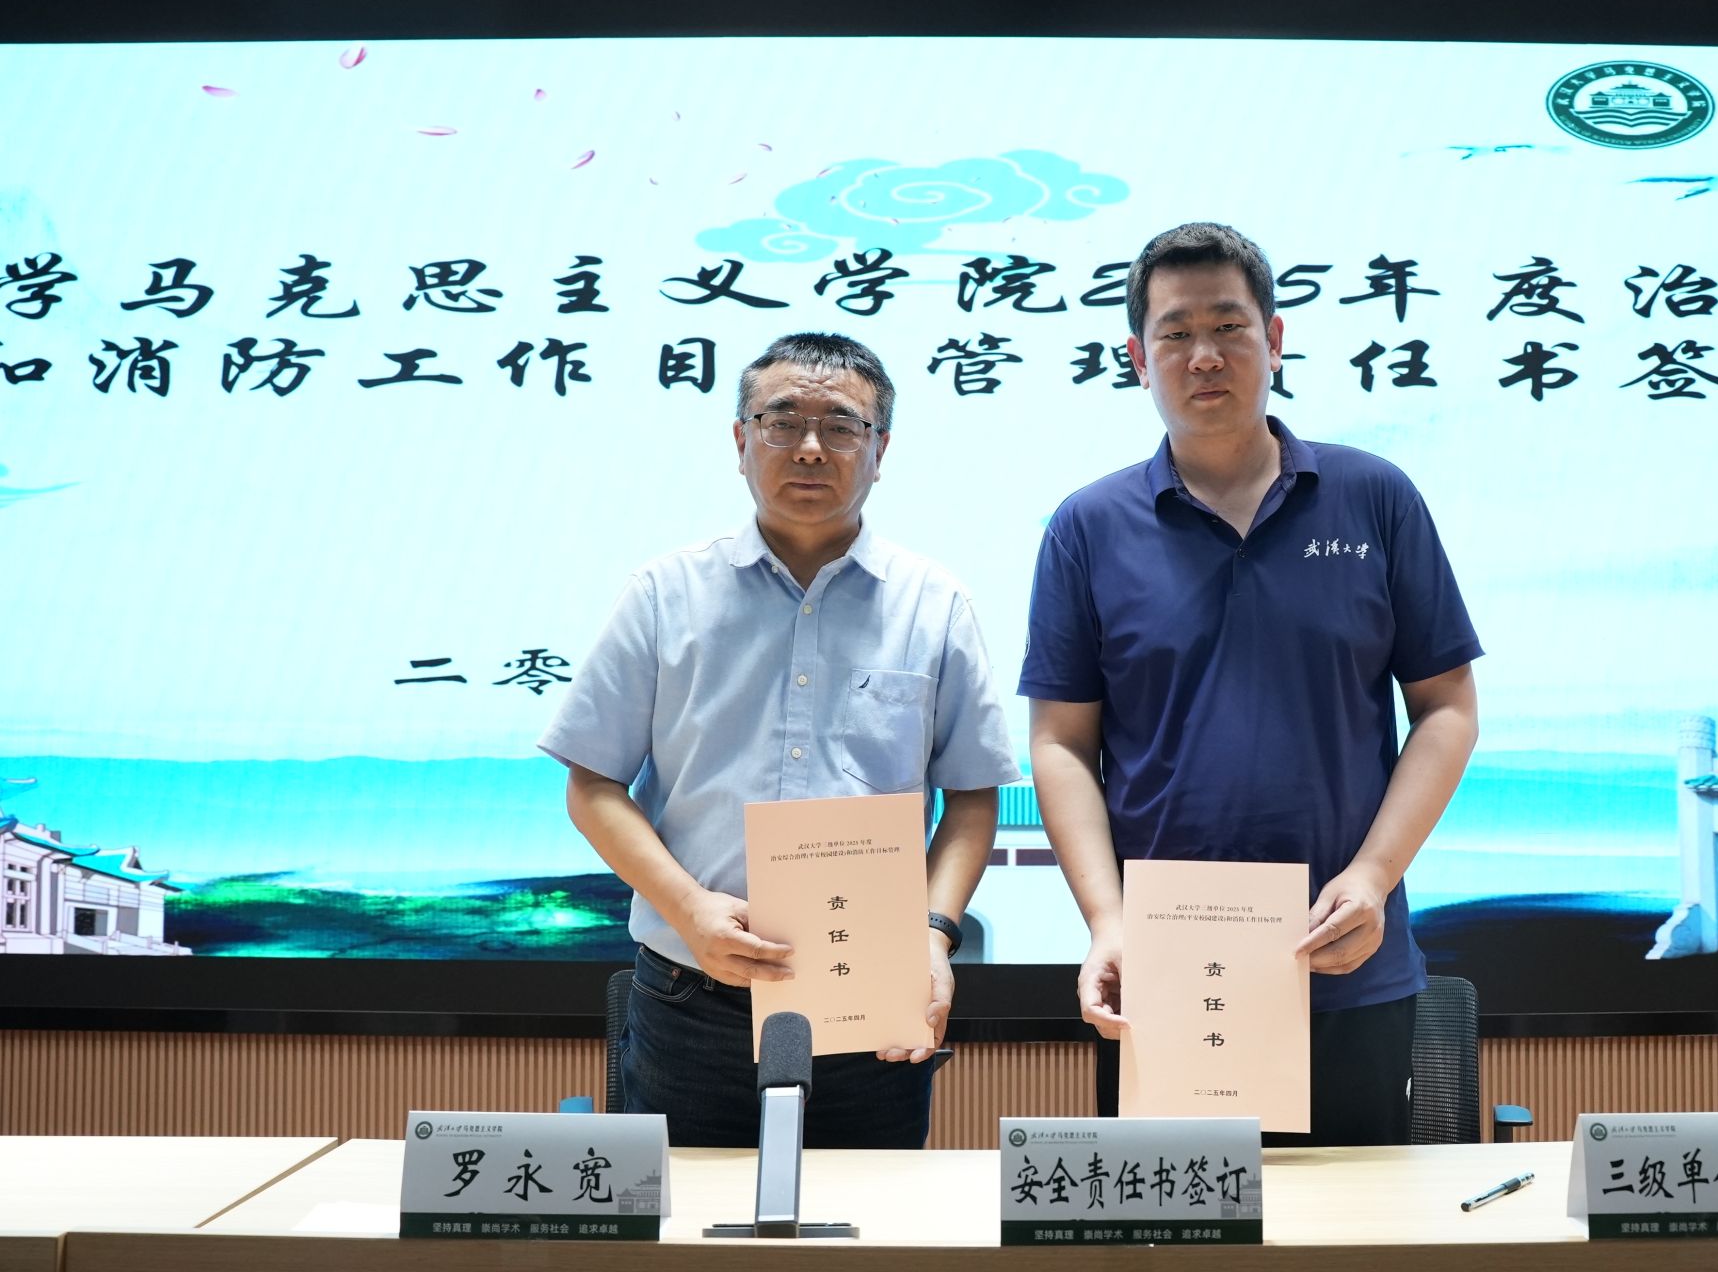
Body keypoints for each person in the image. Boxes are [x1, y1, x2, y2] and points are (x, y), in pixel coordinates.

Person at [1020, 222, 1482, 1146]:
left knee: (1360, 1229)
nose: (1204, 356)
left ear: (1273, 339)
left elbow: (1446, 710)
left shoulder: (1374, 497)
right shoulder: (1087, 526)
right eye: (1175, 333)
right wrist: (1107, 920)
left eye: (1229, 327)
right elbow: (1062, 742)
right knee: (1172, 1227)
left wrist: (1373, 874)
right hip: (1162, 971)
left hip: (1345, 960)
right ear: (1136, 358)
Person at [541, 331, 1018, 1148]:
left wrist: (933, 935)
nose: (809, 447)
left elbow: (972, 799)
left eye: (841, 426)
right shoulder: (664, 594)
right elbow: (592, 786)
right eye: (782, 420)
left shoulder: (934, 606)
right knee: (682, 1226)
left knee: (867, 1226)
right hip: (692, 998)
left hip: (871, 1003)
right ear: (740, 440)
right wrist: (690, 909)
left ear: (880, 450)